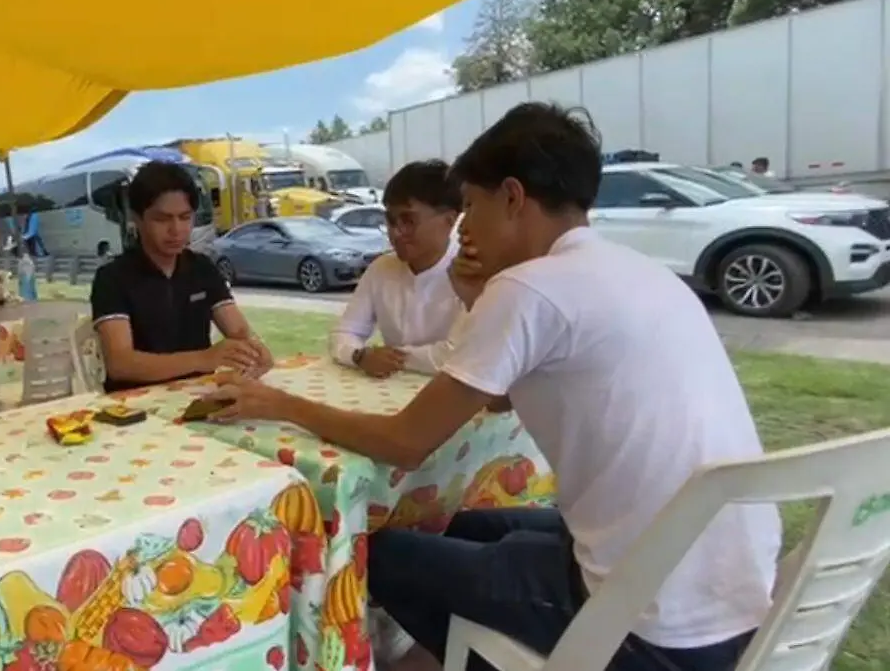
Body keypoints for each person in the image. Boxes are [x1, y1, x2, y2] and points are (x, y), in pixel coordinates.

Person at [205, 103, 780, 671]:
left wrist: (277, 403)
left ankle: (491, 659)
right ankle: (479, 646)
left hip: (649, 622)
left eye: (470, 208)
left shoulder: (530, 287)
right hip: (729, 586)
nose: (465, 228)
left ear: (512, 197)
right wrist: (475, 297)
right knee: (456, 524)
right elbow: (504, 394)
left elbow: (406, 443)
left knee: (379, 553)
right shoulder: (640, 270)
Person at [91, 161, 273, 393]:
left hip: (197, 397)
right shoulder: (112, 278)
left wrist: (253, 348)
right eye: (162, 219)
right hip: (134, 407)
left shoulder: (202, 268)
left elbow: (238, 331)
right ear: (137, 219)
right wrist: (203, 359)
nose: (176, 230)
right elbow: (121, 364)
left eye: (185, 217)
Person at [330, 159, 466, 377]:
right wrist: (359, 356)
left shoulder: (472, 273)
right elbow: (344, 332)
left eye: (408, 221)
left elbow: (456, 354)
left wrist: (389, 358)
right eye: (391, 221)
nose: (396, 232)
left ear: (450, 220)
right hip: (389, 394)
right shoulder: (381, 269)